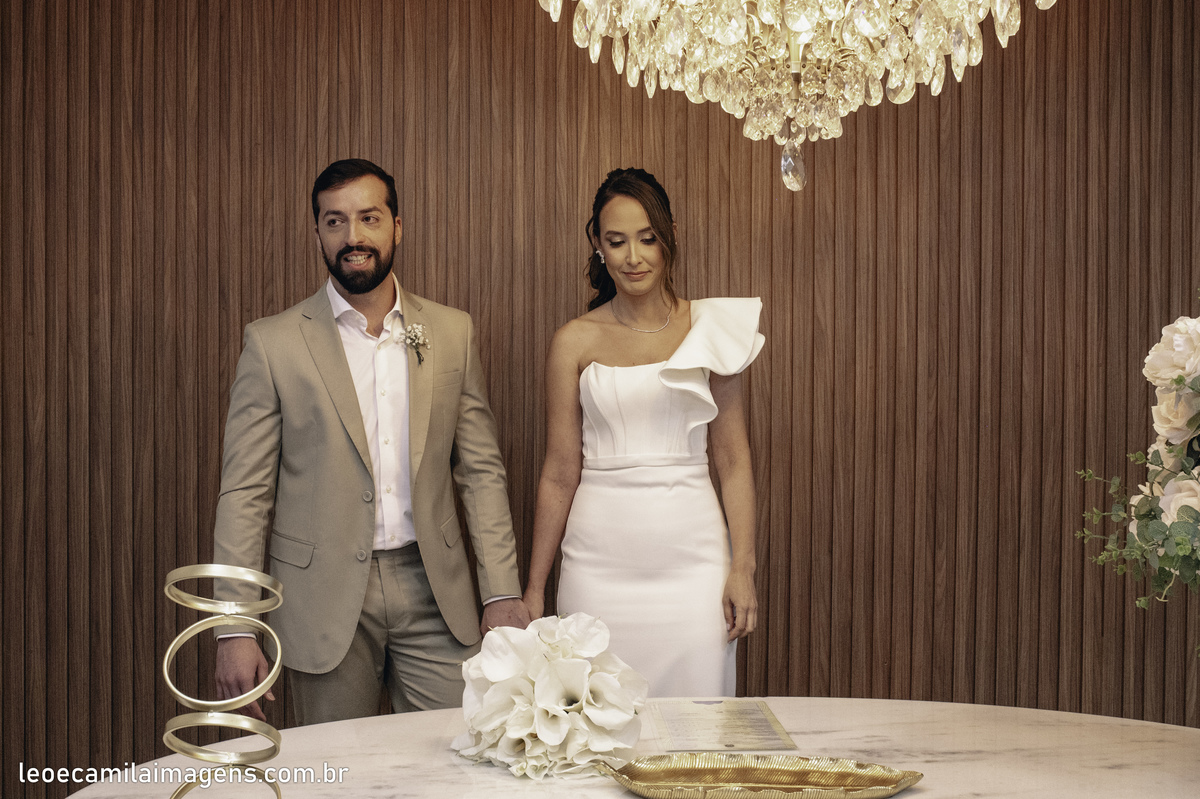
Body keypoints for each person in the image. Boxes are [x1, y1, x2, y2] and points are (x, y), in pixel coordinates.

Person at [212, 158, 529, 725]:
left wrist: (501, 591)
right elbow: (244, 493)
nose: (352, 236)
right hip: (322, 600)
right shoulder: (272, 344)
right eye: (334, 221)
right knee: (336, 765)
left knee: (458, 757)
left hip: (437, 593)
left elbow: (481, 471)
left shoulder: (452, 332)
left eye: (369, 218)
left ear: (397, 227)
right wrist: (235, 625)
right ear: (317, 232)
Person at [522, 167, 763, 697]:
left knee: (696, 726)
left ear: (670, 235)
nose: (633, 257)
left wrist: (742, 567)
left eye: (647, 238)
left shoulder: (709, 329)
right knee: (597, 721)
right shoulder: (573, 341)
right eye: (617, 241)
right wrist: (535, 589)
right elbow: (559, 473)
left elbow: (733, 461)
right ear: (597, 244)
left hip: (695, 569)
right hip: (596, 569)